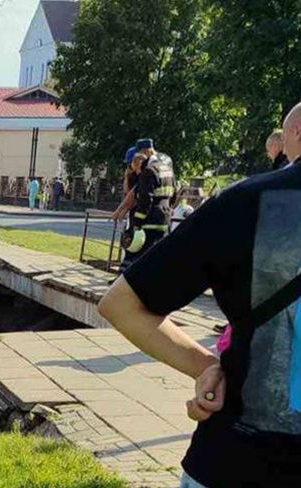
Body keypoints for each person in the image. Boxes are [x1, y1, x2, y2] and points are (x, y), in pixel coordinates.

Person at [98, 102, 301, 487]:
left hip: (239, 462)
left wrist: (206, 367)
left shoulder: (243, 203)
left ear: (296, 135)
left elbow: (121, 305)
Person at [122, 139, 174, 269]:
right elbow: (174, 192)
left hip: (150, 219)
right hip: (164, 218)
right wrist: (169, 209)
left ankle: (128, 282)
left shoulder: (149, 171)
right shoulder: (167, 168)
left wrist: (137, 223)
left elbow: (146, 200)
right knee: (156, 254)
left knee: (139, 252)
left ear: (145, 152)